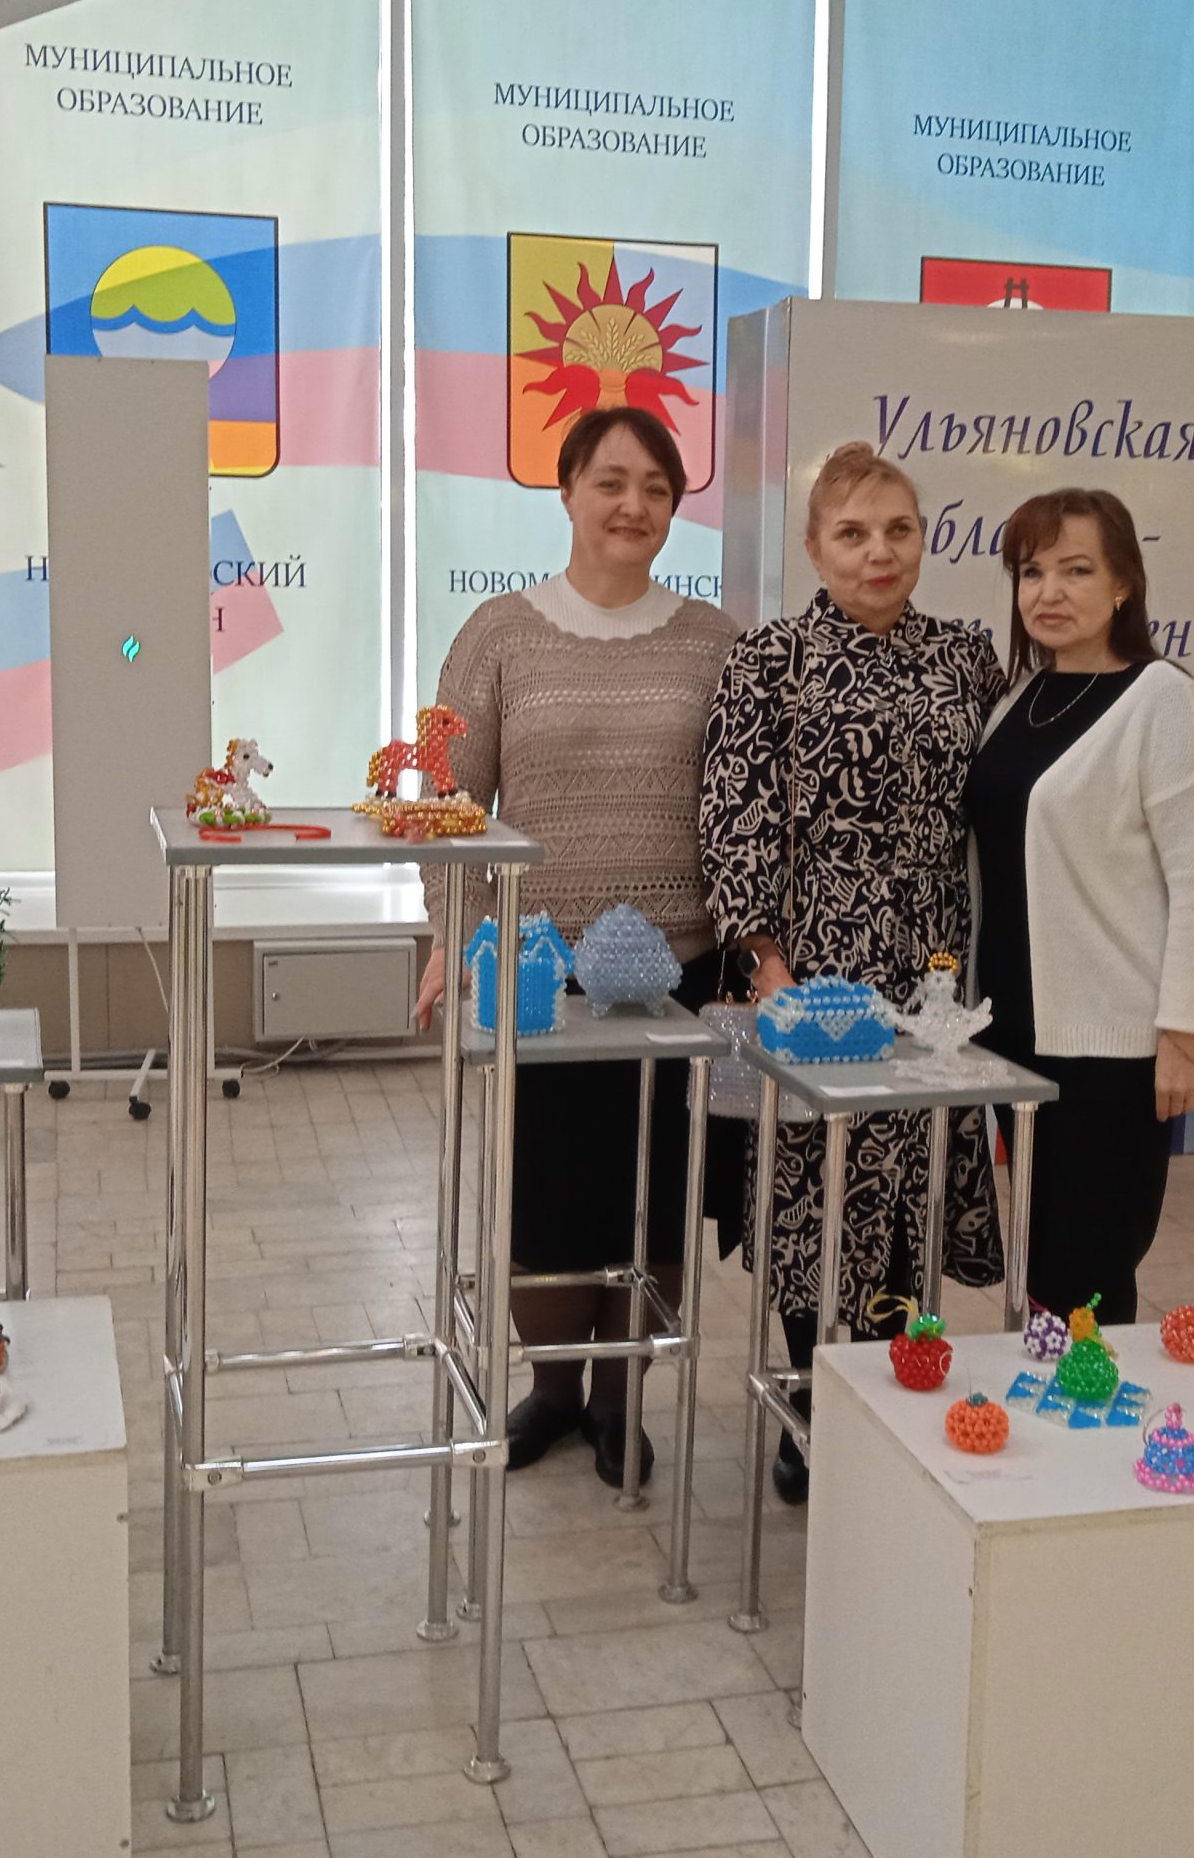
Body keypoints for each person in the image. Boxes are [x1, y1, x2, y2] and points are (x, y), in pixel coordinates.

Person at [416, 404, 749, 1487]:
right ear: (565, 491)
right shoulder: (497, 636)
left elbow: (744, 810)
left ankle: (620, 1402)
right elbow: (447, 805)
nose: (632, 505)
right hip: (537, 980)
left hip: (683, 981)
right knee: (549, 1203)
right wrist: (452, 936)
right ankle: (555, 1391)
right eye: (610, 481)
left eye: (656, 487)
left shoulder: (716, 643)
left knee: (656, 1197)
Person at [699, 442, 1005, 1504]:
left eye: (899, 530)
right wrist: (767, 966)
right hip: (814, 964)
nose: (879, 552)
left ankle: (900, 1384)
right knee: (814, 1190)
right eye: (853, 533)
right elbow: (733, 817)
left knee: (915, 1176)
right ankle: (816, 1401)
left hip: (933, 967)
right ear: (814, 548)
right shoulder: (770, 658)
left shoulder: (966, 657)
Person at [964, 488, 1194, 1327]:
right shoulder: (1019, 700)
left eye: (1076, 571)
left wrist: (1182, 1035)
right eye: (1031, 572)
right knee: (1038, 1254)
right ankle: (1046, 1390)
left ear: (1123, 585)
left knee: (1089, 1262)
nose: (1049, 592)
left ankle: (1091, 1398)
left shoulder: (1162, 701)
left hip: (1109, 1045)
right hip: (1010, 1030)